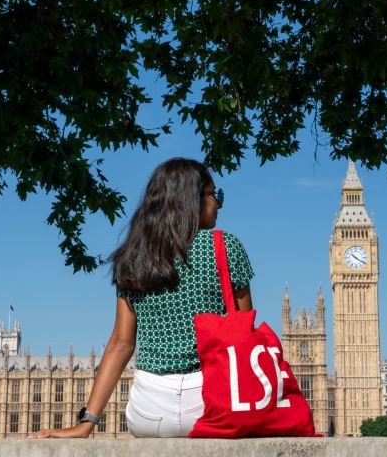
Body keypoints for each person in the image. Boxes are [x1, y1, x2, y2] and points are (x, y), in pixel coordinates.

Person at [29, 158, 254, 438]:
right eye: (214, 195)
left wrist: (86, 423)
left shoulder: (133, 257)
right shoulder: (226, 246)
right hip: (212, 403)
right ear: (191, 200)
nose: (219, 204)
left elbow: (121, 344)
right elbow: (245, 332)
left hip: (150, 410)